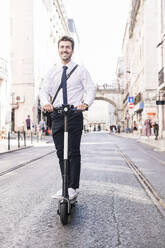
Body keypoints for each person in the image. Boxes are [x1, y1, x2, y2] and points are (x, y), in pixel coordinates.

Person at [40, 36, 96, 200]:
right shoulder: (52, 71)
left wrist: (85, 103)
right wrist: (45, 103)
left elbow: (90, 89)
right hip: (57, 115)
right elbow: (44, 91)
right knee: (60, 152)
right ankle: (65, 185)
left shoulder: (80, 70)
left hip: (74, 114)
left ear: (72, 50)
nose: (64, 50)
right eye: (62, 47)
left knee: (73, 151)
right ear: (58, 49)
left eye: (68, 47)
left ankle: (72, 187)